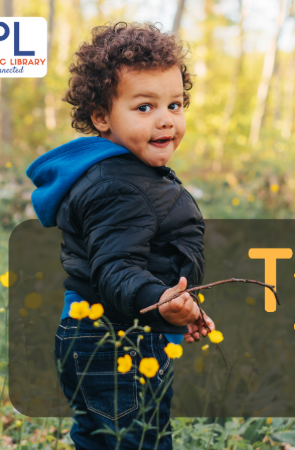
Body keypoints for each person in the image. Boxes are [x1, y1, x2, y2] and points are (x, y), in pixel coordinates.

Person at [25, 21, 213, 449]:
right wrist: (159, 301)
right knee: (139, 440)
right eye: (144, 107)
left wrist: (174, 311)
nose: (166, 119)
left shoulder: (124, 174)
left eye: (175, 105)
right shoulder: (120, 185)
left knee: (100, 439)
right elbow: (116, 269)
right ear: (101, 117)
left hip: (103, 335)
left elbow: (140, 258)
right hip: (115, 343)